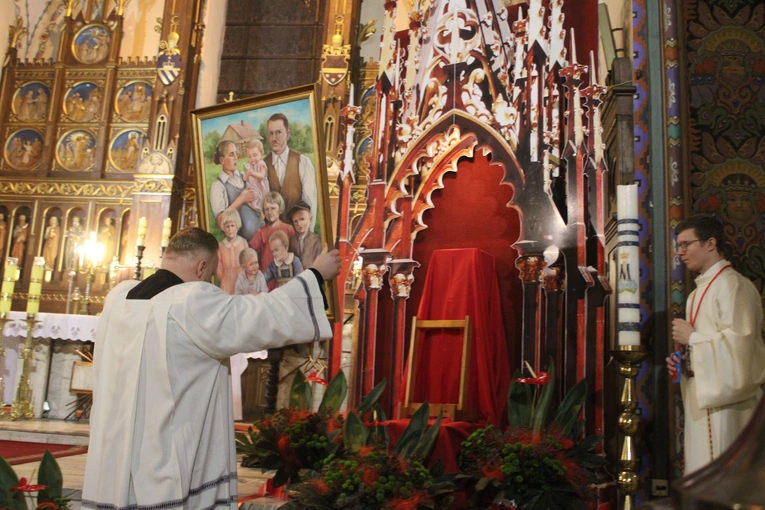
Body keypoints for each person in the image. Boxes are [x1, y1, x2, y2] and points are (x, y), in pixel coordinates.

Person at [82, 227, 340, 508]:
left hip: (114, 451)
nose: (212, 280)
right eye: (212, 273)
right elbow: (261, 315)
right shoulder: (190, 300)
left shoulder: (119, 298)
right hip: (167, 454)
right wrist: (315, 274)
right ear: (201, 266)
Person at [666, 214, 765, 474]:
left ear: (710, 243)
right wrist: (686, 362)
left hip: (730, 406)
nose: (681, 252)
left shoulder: (733, 286)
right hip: (704, 400)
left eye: (687, 244)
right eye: (679, 245)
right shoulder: (697, 292)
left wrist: (694, 339)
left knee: (727, 479)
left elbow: (741, 347)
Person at [263, 113, 318, 229]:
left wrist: (306, 236)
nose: (274, 138)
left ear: (288, 134)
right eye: (270, 133)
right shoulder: (262, 166)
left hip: (297, 234)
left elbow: (310, 203)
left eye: (278, 132)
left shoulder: (303, 162)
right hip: (272, 238)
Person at [209, 139, 263, 241]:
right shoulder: (218, 185)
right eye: (231, 155)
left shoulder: (243, 176)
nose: (236, 158)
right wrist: (241, 199)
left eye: (236, 154)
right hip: (244, 245)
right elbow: (221, 222)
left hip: (262, 236)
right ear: (222, 160)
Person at [248, 192, 295, 291]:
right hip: (268, 274)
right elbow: (250, 248)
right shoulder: (262, 231)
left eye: (273, 208)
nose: (270, 212)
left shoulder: (288, 229)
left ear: (280, 209)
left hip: (284, 273)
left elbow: (295, 252)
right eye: (266, 209)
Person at [216, 209, 248, 294]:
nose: (230, 229)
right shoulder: (221, 246)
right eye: (227, 226)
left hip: (242, 279)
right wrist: (224, 279)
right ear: (223, 228)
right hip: (227, 281)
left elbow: (248, 260)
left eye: (232, 226)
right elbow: (218, 266)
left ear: (237, 226)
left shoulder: (243, 243)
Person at [288, 201, 322, 269]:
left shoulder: (317, 241)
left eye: (302, 219)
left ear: (310, 219)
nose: (299, 224)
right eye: (295, 221)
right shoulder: (291, 241)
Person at [242, 140, 270, 216]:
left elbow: (261, 176)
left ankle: (262, 212)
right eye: (249, 156)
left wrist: (251, 173)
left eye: (255, 155)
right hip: (252, 186)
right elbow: (245, 179)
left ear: (261, 154)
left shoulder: (261, 164)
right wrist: (246, 175)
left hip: (260, 187)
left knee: (261, 200)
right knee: (249, 198)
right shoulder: (249, 165)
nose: (252, 159)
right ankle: (256, 211)